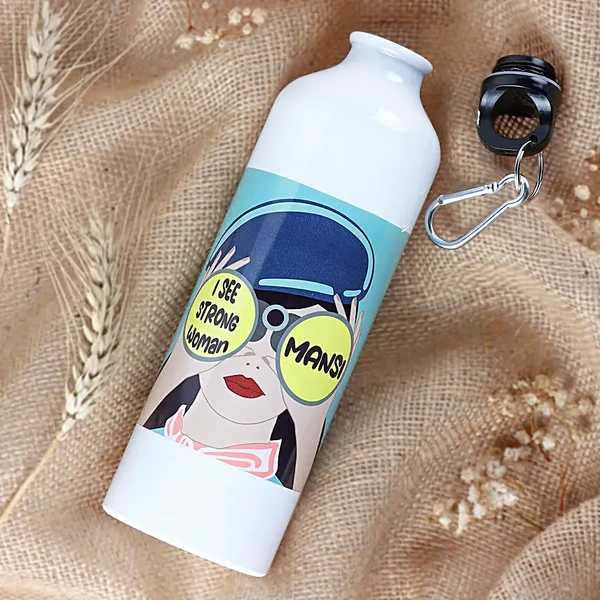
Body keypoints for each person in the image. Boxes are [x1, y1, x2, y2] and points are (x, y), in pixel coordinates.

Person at [138, 200, 373, 491]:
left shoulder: (276, 487)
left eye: (292, 340)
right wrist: (181, 360)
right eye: (245, 321)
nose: (259, 354)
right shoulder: (149, 448)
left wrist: (312, 415)